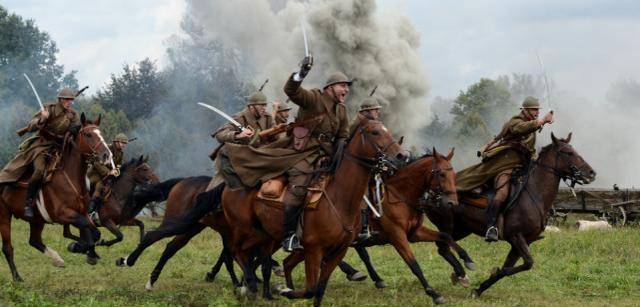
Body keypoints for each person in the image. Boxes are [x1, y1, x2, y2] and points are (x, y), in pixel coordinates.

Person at [455, 97, 554, 242]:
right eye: (534, 109)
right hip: (505, 164)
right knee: (502, 193)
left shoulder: (532, 125)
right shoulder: (515, 122)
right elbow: (523, 128)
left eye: (538, 109)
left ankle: (530, 226)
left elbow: (529, 143)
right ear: (525, 110)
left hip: (522, 166)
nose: (537, 112)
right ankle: (492, 227)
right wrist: (543, 121)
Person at [280, 58, 351, 251]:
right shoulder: (314, 98)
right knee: (299, 187)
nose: (346, 90)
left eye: (347, 87)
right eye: (342, 86)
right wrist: (301, 73)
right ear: (330, 87)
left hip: (329, 157)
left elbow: (343, 134)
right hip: (305, 153)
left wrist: (341, 148)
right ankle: (289, 236)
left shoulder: (342, 110)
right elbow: (291, 91)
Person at [0, 88, 81, 218]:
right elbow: (31, 126)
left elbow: (77, 128)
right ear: (60, 100)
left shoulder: (73, 114)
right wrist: (42, 119)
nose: (69, 102)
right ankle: (28, 203)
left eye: (71, 100)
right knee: (39, 171)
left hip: (61, 148)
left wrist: (76, 128)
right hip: (42, 146)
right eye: (66, 99)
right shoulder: (49, 109)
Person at [87, 133, 128, 219]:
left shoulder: (120, 153)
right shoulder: (106, 149)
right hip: (96, 173)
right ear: (116, 142)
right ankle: (90, 212)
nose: (124, 145)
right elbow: (97, 163)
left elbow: (118, 165)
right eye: (122, 143)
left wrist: (117, 171)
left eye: (125, 144)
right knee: (100, 187)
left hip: (109, 175)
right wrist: (108, 172)